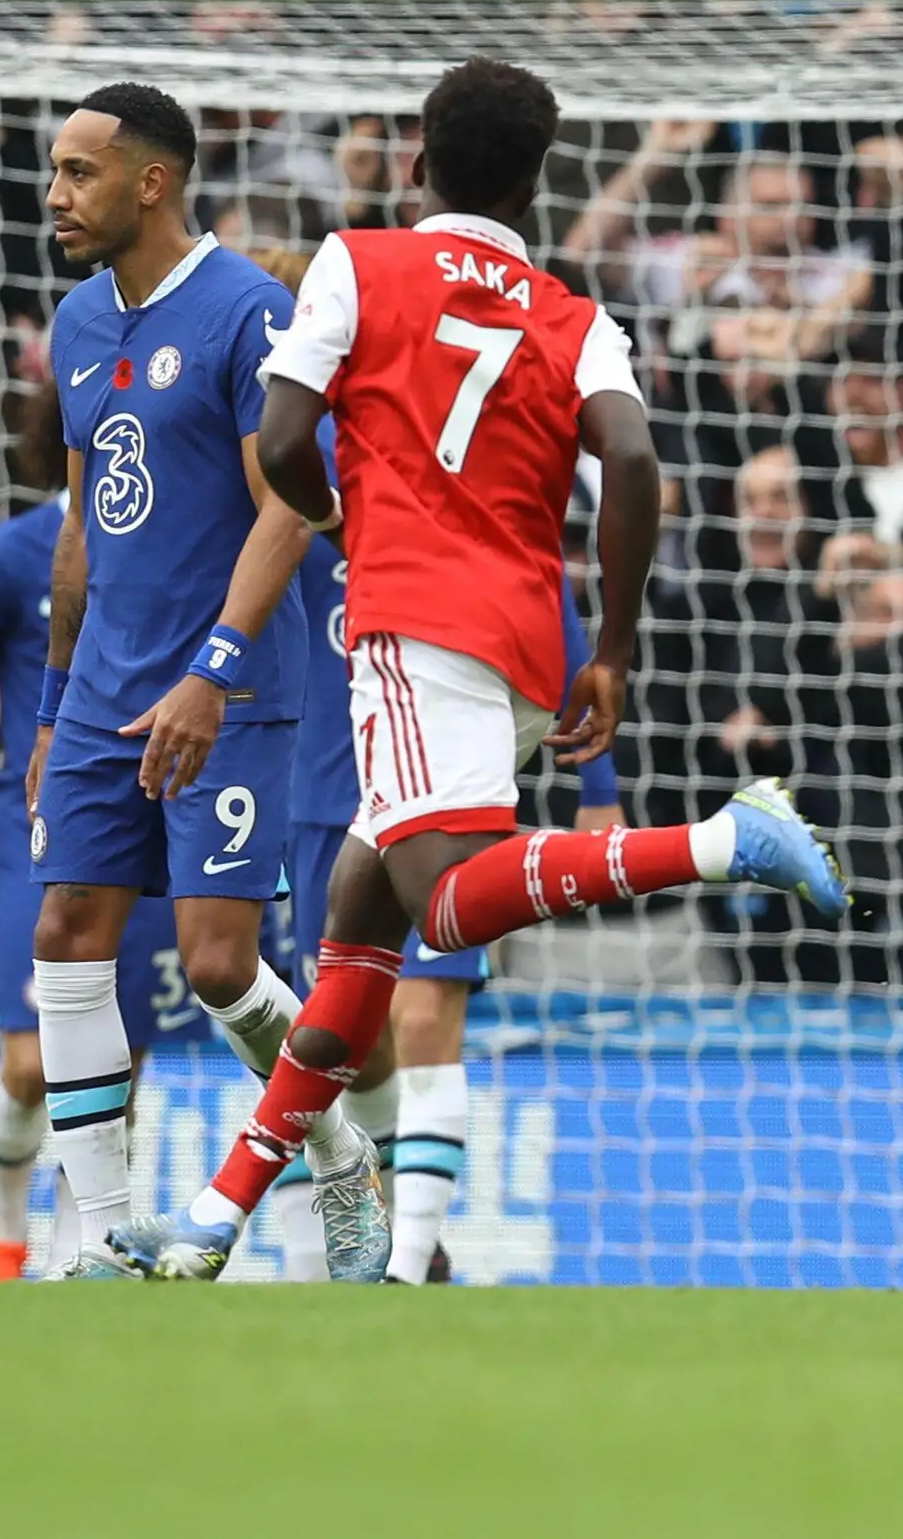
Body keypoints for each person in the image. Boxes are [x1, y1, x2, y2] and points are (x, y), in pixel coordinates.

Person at [112, 58, 843, 1281]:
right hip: (527, 646)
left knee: (444, 898)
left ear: (416, 161)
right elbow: (634, 461)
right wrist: (613, 646)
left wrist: (345, 516)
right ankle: (212, 1217)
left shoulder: (358, 262)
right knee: (358, 935)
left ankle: (723, 840)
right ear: (537, 184)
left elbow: (283, 437)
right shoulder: (574, 315)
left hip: (414, 622)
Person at [24, 82, 328, 1278]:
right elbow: (81, 526)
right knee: (67, 928)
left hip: (229, 686)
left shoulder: (250, 311)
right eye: (56, 171)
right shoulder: (76, 321)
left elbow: (291, 507)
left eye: (78, 173)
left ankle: (339, 1146)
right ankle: (101, 1238)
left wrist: (212, 668)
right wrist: (52, 708)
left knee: (215, 962)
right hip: (102, 688)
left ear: (152, 182)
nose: (55, 195)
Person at [0, 400, 200, 1279]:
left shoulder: (186, 542)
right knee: (30, 1064)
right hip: (40, 839)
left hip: (150, 833)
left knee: (117, 1067)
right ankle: (9, 1230)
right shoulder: (14, 555)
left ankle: (79, 1255)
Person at [276, 526, 627, 1283]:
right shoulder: (301, 481)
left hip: (448, 796)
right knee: (352, 1040)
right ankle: (392, 1205)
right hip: (322, 798)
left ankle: (408, 1261)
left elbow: (547, 596)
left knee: (425, 1015)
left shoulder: (465, 491)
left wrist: (598, 787)